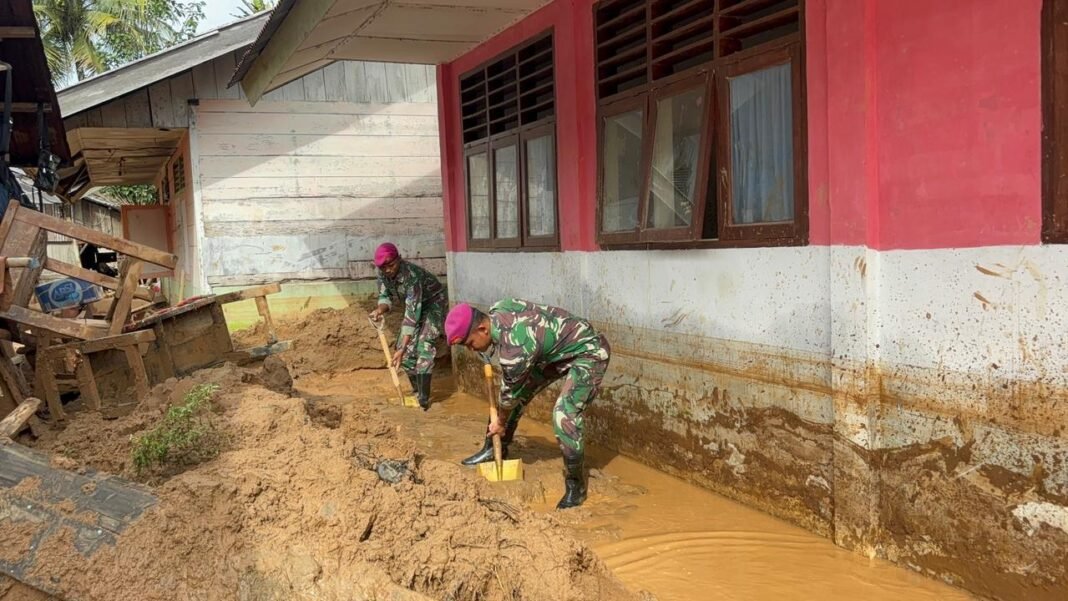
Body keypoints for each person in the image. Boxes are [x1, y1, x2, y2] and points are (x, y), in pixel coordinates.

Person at [444, 299, 611, 509]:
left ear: (483, 329)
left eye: (469, 343)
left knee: (564, 413)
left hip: (589, 351)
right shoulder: (499, 308)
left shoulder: (515, 351)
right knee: (514, 395)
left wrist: (500, 423)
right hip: (550, 353)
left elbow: (508, 398)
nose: (470, 349)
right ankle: (494, 449)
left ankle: (575, 485)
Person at [368, 242, 447, 411]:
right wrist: (379, 310)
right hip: (414, 307)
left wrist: (402, 347)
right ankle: (417, 391)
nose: (388, 270)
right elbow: (385, 297)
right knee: (406, 354)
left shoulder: (412, 277)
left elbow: (411, 316)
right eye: (383, 268)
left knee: (424, 346)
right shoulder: (383, 275)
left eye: (391, 265)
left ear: (399, 259)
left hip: (433, 304)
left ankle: (424, 401)